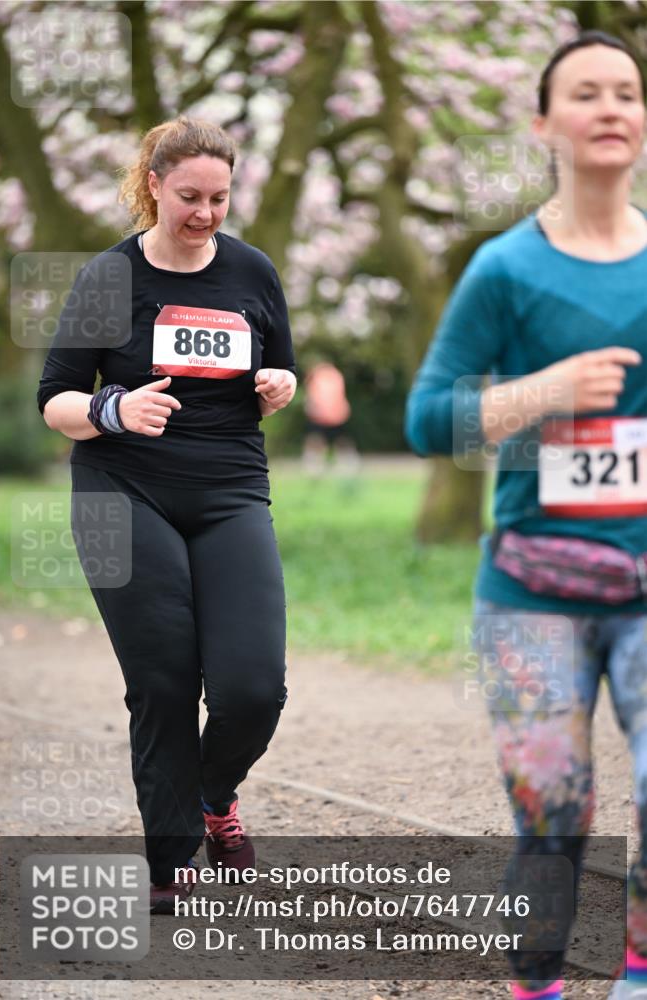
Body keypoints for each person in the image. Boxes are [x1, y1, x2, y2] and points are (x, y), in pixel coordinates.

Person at [405, 32, 647, 1000]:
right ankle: (537, 981)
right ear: (544, 124)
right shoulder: (504, 269)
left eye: (626, 92)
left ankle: (637, 967)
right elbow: (427, 419)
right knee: (553, 814)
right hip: (528, 593)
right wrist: (541, 390)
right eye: (584, 93)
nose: (609, 108)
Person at [37, 117, 297, 913]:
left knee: (254, 688)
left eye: (220, 197)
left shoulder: (252, 270)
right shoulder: (108, 278)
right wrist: (114, 409)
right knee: (162, 680)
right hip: (123, 492)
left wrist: (278, 385)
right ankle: (173, 856)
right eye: (190, 196)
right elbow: (56, 401)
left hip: (228, 492)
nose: (206, 213)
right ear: (153, 184)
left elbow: (277, 359)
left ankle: (211, 799)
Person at [302, 361, 358, 473]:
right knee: (336, 440)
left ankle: (314, 466)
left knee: (318, 440)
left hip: (325, 416)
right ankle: (347, 464)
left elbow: (314, 398)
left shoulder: (318, 377)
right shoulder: (336, 375)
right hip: (336, 416)